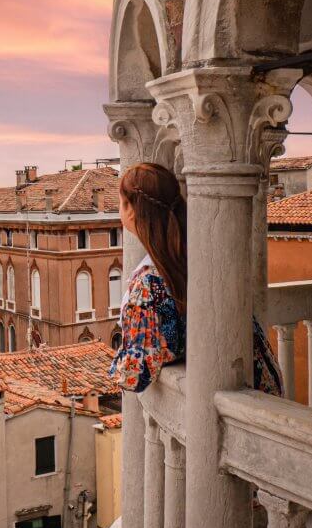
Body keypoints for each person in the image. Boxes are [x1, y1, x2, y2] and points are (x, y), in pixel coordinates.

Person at [109, 162, 282, 396]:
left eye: (120, 202)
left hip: (231, 406)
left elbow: (135, 375)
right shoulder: (201, 254)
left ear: (130, 209)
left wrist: (112, 364)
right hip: (264, 385)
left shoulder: (148, 284)